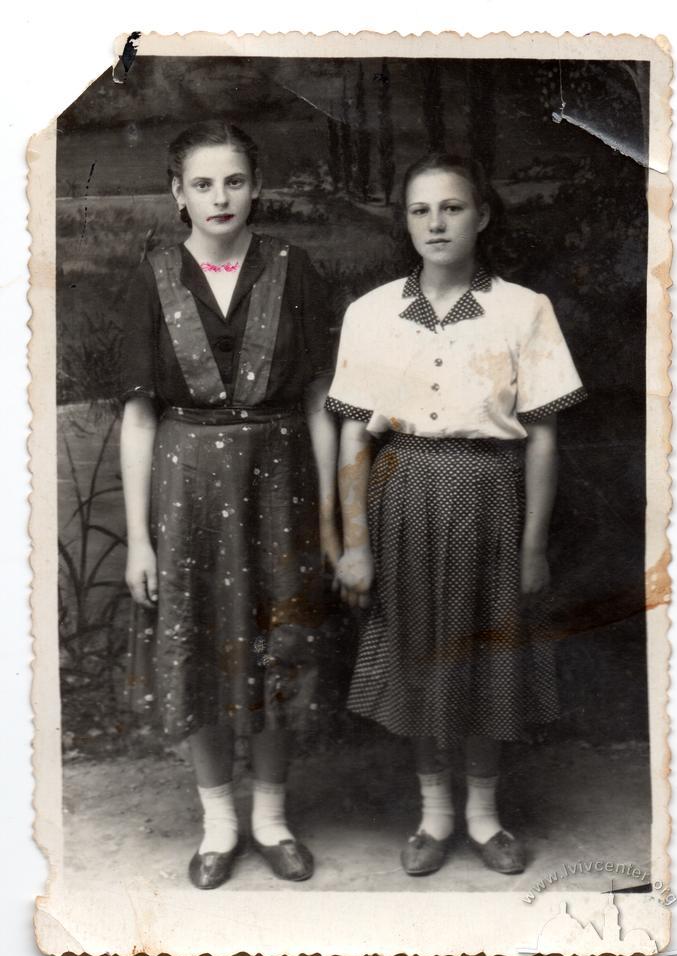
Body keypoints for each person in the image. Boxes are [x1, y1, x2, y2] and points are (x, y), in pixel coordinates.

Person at [326, 152, 586, 877]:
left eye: (451, 207)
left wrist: (532, 544)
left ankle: (483, 815)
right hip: (402, 493)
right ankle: (434, 815)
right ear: (404, 221)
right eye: (420, 210)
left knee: (485, 656)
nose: (436, 222)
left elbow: (543, 435)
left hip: (491, 495)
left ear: (483, 214)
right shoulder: (372, 312)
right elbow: (353, 431)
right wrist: (355, 541)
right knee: (420, 656)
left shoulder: (523, 309)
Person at [119, 120, 339, 890]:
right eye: (203, 183)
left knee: (281, 645)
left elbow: (318, 400)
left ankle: (273, 819)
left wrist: (333, 520)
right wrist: (141, 541)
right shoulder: (152, 274)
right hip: (185, 490)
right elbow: (141, 414)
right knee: (201, 641)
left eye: (235, 181)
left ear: (257, 186)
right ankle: (219, 823)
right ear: (178, 192)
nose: (221, 197)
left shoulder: (292, 267)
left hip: (281, 485)